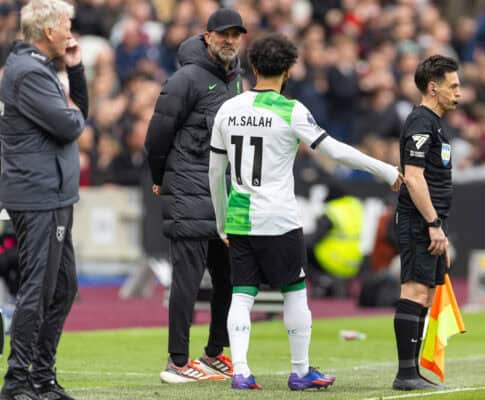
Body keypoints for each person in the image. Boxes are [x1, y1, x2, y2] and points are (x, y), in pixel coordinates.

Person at [209, 33, 402, 391]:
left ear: (253, 67)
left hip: (238, 218)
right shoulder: (291, 110)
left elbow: (215, 172)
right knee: (295, 291)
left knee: (241, 295)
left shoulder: (228, 109)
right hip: (279, 219)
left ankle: (240, 370)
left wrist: (221, 221)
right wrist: (386, 170)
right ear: (289, 71)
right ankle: (300, 371)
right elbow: (337, 152)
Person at [144, 8, 247, 383]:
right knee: (187, 282)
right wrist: (159, 177)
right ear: (207, 37)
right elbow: (156, 136)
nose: (230, 41)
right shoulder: (185, 79)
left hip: (223, 196)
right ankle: (177, 360)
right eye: (224, 35)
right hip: (189, 190)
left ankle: (215, 353)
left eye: (236, 35)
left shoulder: (238, 81)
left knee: (228, 279)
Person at [0, 1, 88, 399]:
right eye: (66, 25)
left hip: (49, 192)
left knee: (63, 286)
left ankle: (40, 376)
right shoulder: (29, 72)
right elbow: (71, 125)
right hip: (38, 194)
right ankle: (19, 381)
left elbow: (75, 117)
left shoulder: (35, 67)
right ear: (48, 30)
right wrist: (72, 112)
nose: (71, 32)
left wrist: (76, 70)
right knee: (39, 287)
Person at [392, 54, 461, 391]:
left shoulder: (433, 123)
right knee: (415, 290)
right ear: (433, 88)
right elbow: (415, 179)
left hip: (432, 222)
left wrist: (440, 227)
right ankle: (405, 374)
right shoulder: (420, 121)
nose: (459, 93)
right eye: (453, 86)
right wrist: (433, 223)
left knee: (426, 292)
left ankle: (412, 371)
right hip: (419, 220)